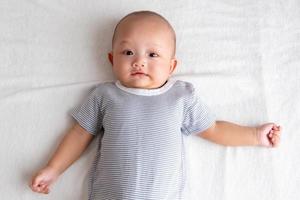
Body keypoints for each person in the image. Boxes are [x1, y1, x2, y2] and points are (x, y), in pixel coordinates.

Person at [29, 10, 281, 199]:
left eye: (152, 54)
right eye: (128, 53)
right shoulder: (104, 95)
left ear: (171, 66)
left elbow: (213, 129)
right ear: (111, 59)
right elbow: (80, 133)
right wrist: (54, 168)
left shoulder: (180, 97)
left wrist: (255, 135)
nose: (139, 62)